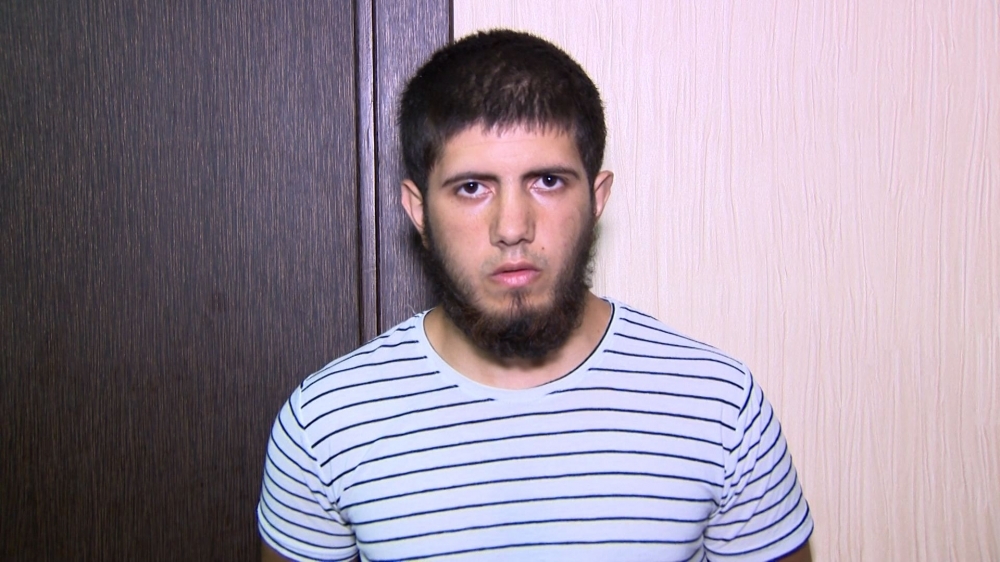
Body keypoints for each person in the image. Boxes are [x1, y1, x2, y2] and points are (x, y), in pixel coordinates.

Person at [258, 29, 813, 562]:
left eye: (547, 181)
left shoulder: (718, 408)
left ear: (597, 198)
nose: (512, 227)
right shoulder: (327, 424)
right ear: (418, 210)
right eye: (472, 187)